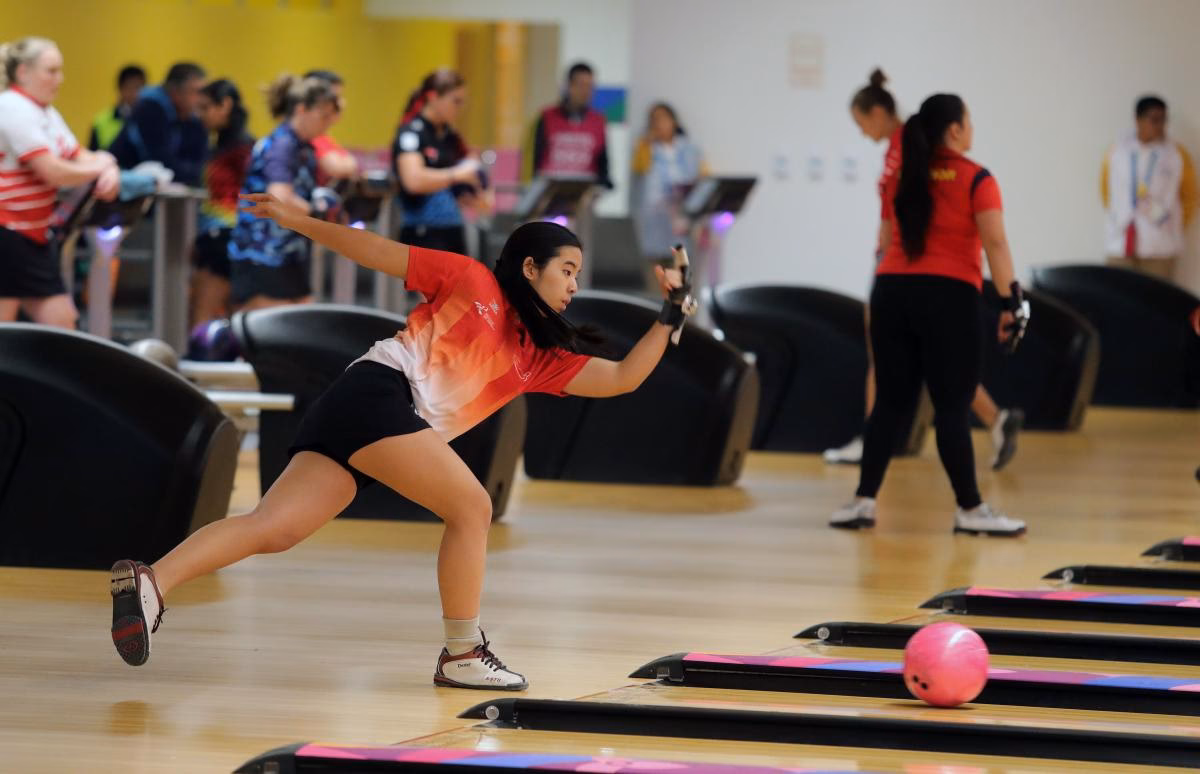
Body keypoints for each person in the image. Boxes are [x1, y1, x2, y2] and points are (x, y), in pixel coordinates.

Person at [109, 201, 695, 690]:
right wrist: (303, 223)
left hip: (364, 410)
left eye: (577, 274)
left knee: (274, 527)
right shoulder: (474, 281)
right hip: (378, 393)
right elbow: (377, 251)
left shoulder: (534, 358)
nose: (574, 285)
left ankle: (152, 582)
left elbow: (621, 378)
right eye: (566, 269)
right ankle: (462, 653)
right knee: (472, 507)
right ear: (528, 267)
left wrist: (669, 316)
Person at [829, 93, 1027, 537]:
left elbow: (884, 242)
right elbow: (995, 244)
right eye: (969, 121)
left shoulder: (902, 175)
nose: (972, 129)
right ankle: (970, 510)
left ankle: (863, 502)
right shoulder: (977, 178)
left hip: (892, 291)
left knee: (889, 403)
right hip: (949, 297)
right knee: (952, 407)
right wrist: (1012, 303)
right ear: (955, 130)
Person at [0, 36, 119, 329]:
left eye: (60, 71)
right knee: (12, 328)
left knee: (63, 325)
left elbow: (79, 156)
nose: (60, 79)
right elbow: (53, 171)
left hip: (31, 236)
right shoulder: (12, 107)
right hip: (8, 232)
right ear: (24, 72)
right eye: (51, 71)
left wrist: (109, 166)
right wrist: (101, 166)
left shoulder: (45, 111)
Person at [227, 74, 340, 311]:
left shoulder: (303, 146)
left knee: (300, 328)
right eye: (323, 115)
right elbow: (279, 197)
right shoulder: (282, 145)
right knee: (270, 336)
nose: (329, 122)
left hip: (289, 254)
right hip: (263, 254)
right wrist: (318, 211)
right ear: (301, 110)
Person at [1101, 95, 1198, 283]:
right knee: (1118, 297)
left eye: (1164, 119)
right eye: (1154, 120)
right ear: (1138, 120)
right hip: (1122, 239)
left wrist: (1171, 223)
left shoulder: (1177, 155)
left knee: (1156, 300)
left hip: (1160, 242)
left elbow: (1190, 197)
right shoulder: (1117, 152)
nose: (1160, 126)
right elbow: (1107, 191)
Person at [392, 69, 486, 255]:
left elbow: (470, 173)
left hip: (453, 229)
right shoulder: (412, 133)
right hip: (423, 231)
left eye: (462, 102)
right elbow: (414, 180)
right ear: (433, 97)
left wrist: (474, 191)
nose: (460, 108)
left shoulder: (450, 137)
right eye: (455, 101)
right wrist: (457, 175)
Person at [189, 78, 253, 331]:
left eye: (205, 108)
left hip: (226, 238)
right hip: (215, 236)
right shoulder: (221, 146)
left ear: (225, 105)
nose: (200, 115)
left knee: (202, 318)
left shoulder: (243, 150)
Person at [108, 62, 208, 186]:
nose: (202, 99)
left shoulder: (191, 116)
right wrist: (199, 174)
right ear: (175, 92)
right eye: (196, 91)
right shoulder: (150, 109)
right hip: (123, 185)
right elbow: (161, 160)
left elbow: (199, 160)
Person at [632, 102, 704, 266]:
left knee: (680, 260)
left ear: (674, 121)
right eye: (654, 120)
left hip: (680, 214)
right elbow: (639, 168)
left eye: (663, 119)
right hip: (655, 213)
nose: (659, 124)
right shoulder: (645, 147)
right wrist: (645, 144)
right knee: (656, 262)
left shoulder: (689, 148)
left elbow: (701, 175)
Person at [530, 62, 611, 187]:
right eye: (581, 85)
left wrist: (603, 184)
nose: (586, 91)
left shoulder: (598, 121)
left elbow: (603, 163)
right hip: (550, 194)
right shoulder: (547, 117)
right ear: (569, 86)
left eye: (590, 86)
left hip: (582, 195)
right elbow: (534, 158)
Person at [303, 69, 359, 183]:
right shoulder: (310, 136)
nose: (342, 103)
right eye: (335, 98)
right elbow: (338, 168)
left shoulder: (322, 135)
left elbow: (351, 165)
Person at [88, 64, 145, 151]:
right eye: (130, 88)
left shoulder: (150, 119)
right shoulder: (101, 121)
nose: (135, 94)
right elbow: (93, 154)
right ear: (120, 89)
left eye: (139, 88)